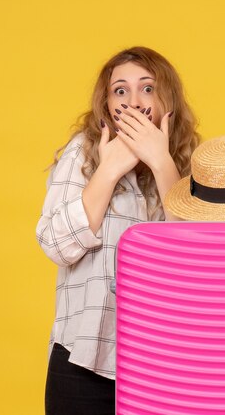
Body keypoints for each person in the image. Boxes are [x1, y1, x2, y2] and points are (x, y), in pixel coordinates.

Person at [35, 46, 200, 415]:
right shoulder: (83, 152)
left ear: (165, 98)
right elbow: (57, 245)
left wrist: (161, 162)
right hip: (82, 357)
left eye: (147, 87)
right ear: (108, 104)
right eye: (120, 90)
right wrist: (108, 170)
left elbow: (194, 262)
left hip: (165, 362)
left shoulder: (189, 163)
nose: (134, 101)